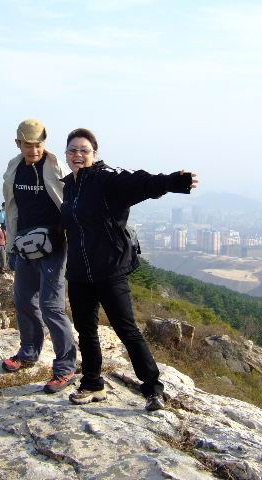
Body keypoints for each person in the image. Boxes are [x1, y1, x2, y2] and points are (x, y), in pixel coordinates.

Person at [60, 128, 198, 411]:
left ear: (94, 153)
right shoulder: (70, 186)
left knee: (127, 330)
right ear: (66, 154)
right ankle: (92, 384)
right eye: (73, 150)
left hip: (110, 270)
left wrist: (172, 181)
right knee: (86, 331)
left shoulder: (107, 179)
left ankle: (153, 389)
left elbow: (140, 183)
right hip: (79, 273)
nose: (78, 155)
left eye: (84, 150)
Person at [1, 118, 77, 393]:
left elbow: (72, 201)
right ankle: (29, 352)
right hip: (24, 244)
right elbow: (12, 208)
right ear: (18, 143)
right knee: (23, 300)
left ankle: (65, 367)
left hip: (54, 246)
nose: (34, 150)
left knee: (51, 306)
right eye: (28, 145)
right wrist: (11, 245)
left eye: (38, 144)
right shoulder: (14, 167)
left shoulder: (56, 167)